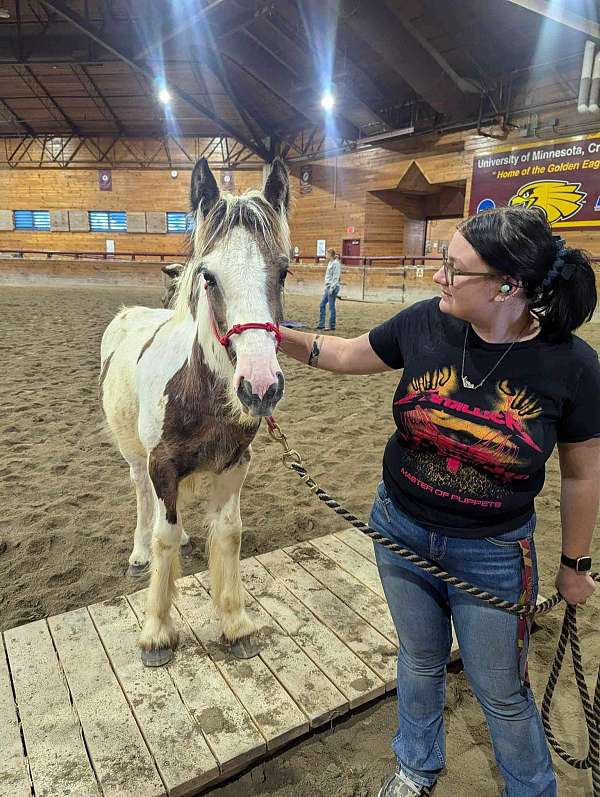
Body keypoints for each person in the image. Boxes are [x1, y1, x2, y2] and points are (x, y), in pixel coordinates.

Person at [279, 206, 600, 797]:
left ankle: (532, 789)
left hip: (494, 554)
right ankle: (416, 767)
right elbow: (350, 354)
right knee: (420, 659)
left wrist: (574, 565)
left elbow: (582, 474)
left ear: (509, 287)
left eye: (454, 269)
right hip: (398, 531)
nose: (438, 278)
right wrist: (272, 338)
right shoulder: (427, 324)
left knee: (501, 690)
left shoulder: (574, 366)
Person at [317, 247, 342, 330]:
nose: (325, 255)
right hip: (328, 287)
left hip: (332, 287)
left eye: (327, 254)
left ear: (330, 254)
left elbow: (336, 277)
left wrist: (332, 288)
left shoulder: (336, 263)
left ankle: (332, 325)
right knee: (322, 305)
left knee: (331, 307)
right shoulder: (330, 263)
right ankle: (321, 324)